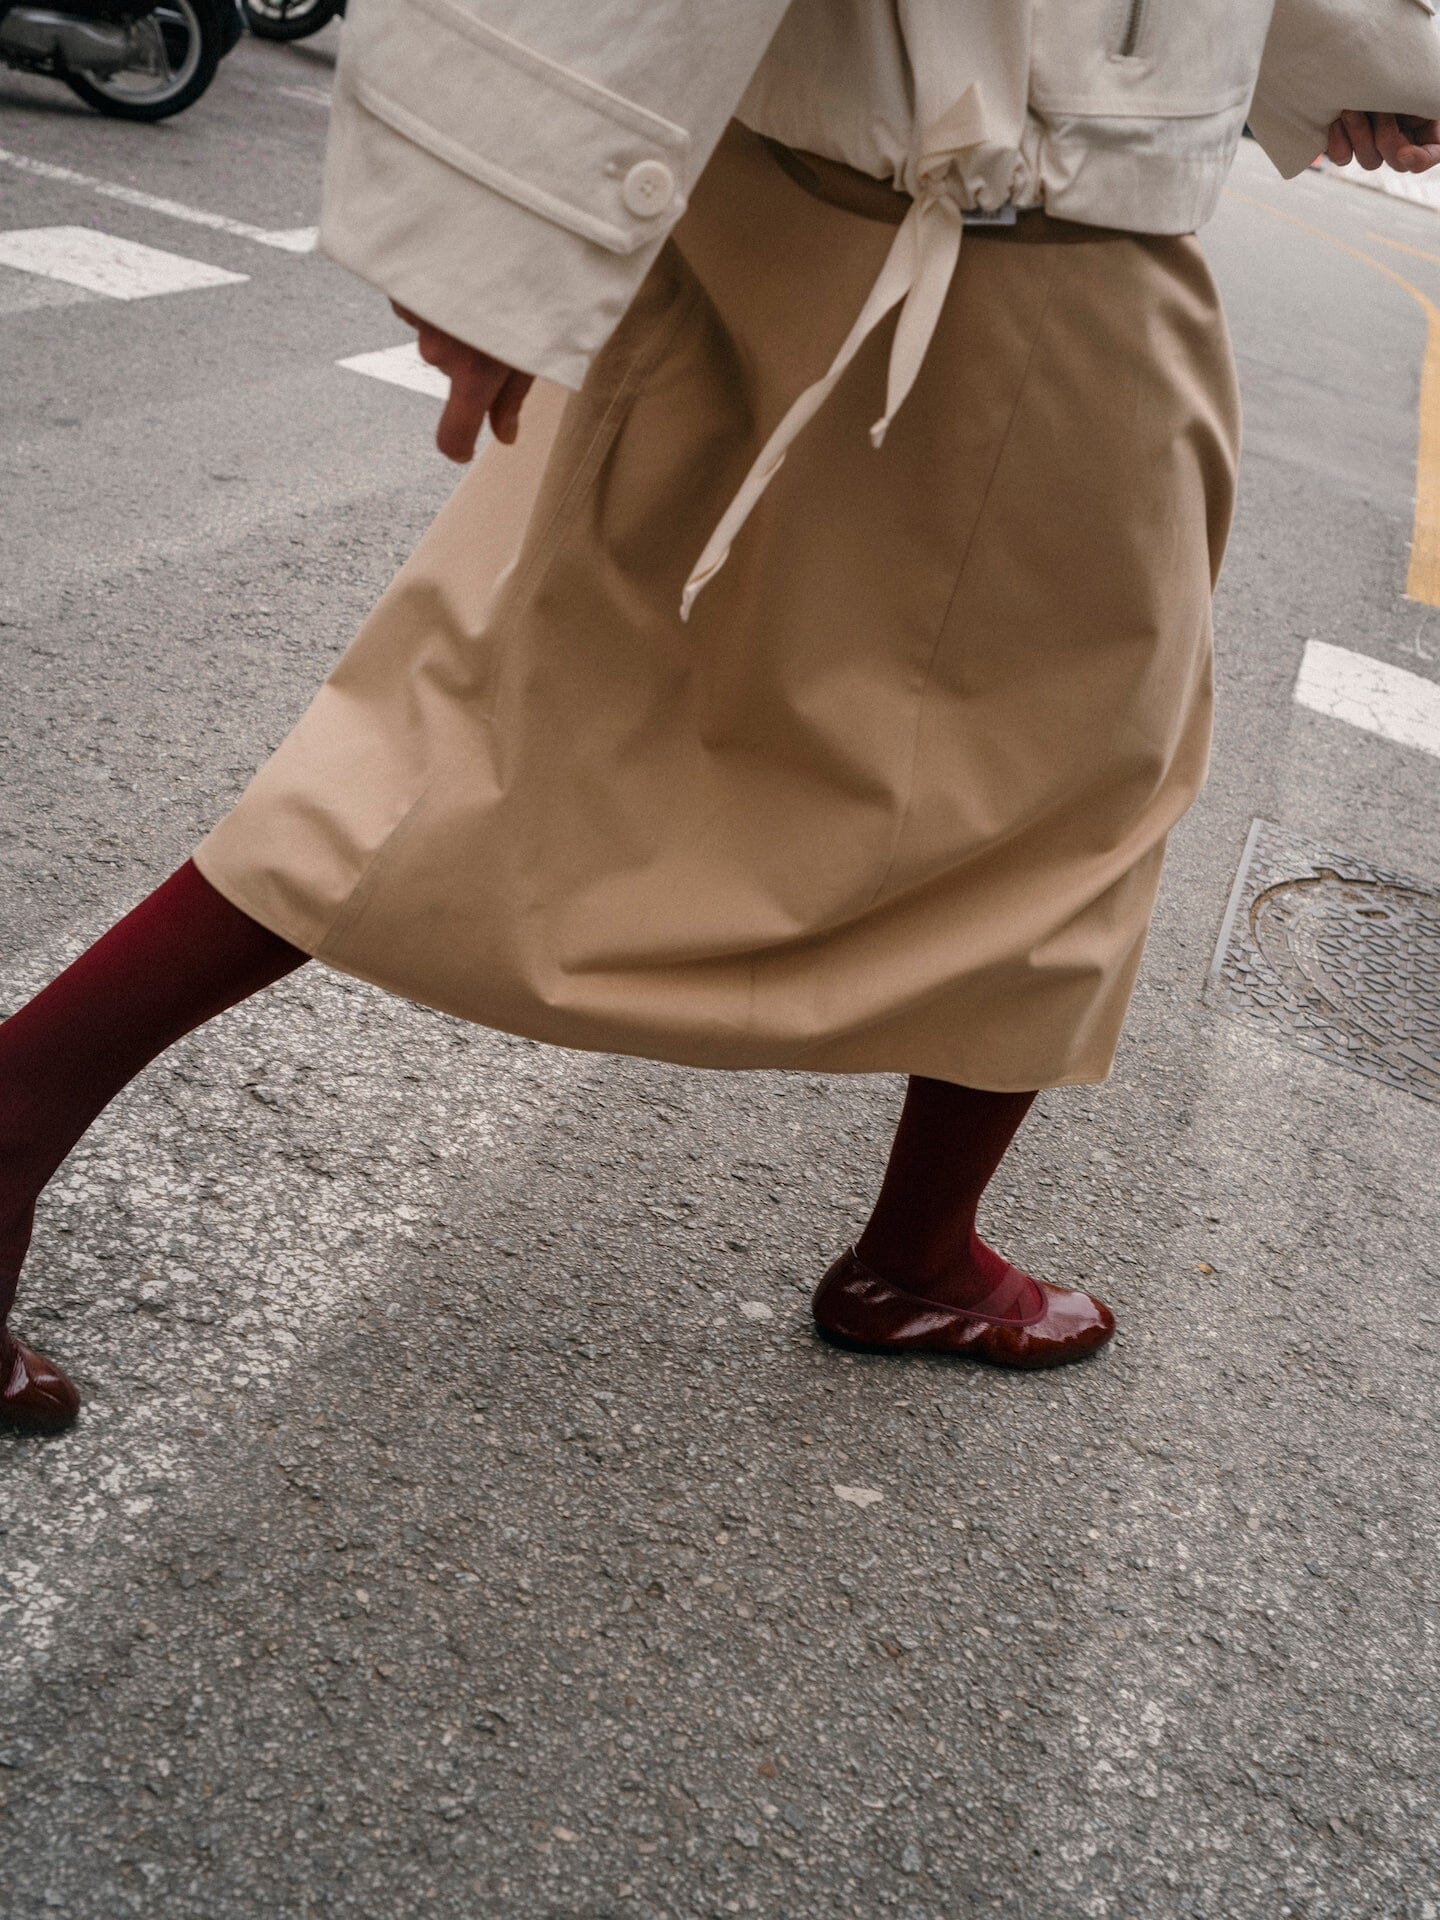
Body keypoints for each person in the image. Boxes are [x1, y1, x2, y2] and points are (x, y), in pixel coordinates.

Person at [4, 0, 1440, 1433]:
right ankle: (918, 1256)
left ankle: (20, 1103)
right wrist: (501, 225)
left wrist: (1352, 70)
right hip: (1047, 262)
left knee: (472, 712)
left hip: (774, 220)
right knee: (1084, 787)